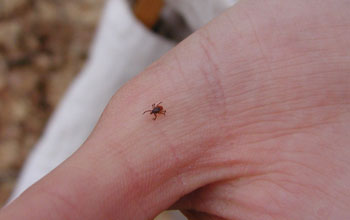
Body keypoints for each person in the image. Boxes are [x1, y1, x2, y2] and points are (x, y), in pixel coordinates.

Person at [1, 0, 349, 219]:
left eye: (155, 111)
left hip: (234, 46)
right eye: (155, 111)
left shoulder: (160, 108)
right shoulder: (154, 104)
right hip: (161, 14)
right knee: (107, 108)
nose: (155, 112)